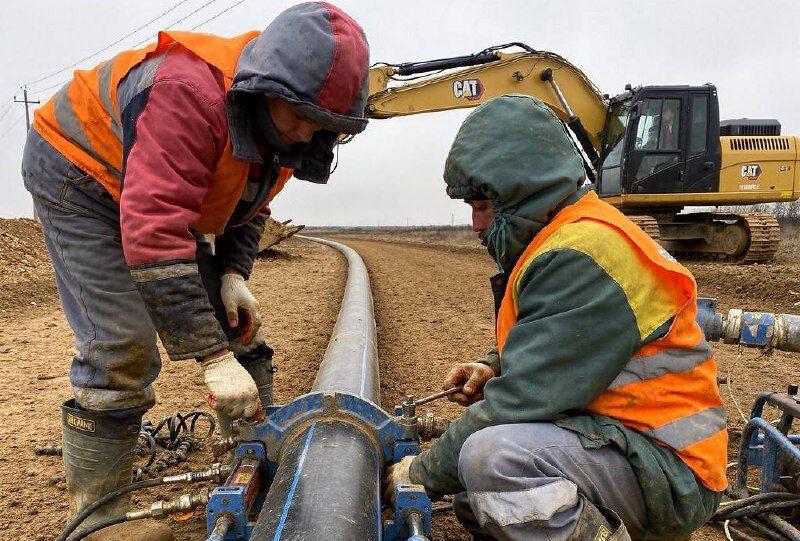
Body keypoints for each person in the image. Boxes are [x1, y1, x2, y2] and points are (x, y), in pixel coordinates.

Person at [21, 3, 369, 539]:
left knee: (236, 324)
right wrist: (210, 358)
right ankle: (97, 520)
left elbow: (249, 204)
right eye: (299, 114)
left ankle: (255, 450)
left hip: (152, 189)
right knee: (122, 345)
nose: (305, 133)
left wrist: (233, 274)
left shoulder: (287, 125)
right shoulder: (189, 95)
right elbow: (155, 233)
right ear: (267, 88)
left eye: (322, 123)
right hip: (81, 172)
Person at [385, 95, 727, 540]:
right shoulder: (569, 237)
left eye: (482, 206)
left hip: (671, 469)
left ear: (522, 193)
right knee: (478, 493)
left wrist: (421, 475)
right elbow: (558, 338)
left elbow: (519, 400)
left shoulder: (583, 255)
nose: (474, 225)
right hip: (627, 441)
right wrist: (493, 366)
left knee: (494, 461)